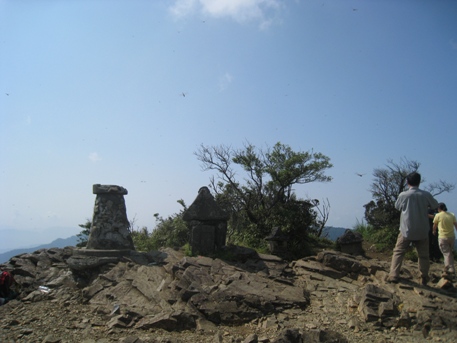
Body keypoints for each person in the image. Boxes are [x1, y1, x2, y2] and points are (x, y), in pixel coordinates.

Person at [388, 172, 438, 285]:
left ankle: (394, 275)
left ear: (407, 182)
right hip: (422, 229)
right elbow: (435, 205)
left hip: (406, 229)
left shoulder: (403, 195)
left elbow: (397, 207)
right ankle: (423, 276)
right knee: (423, 255)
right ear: (419, 182)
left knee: (398, 252)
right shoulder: (426, 195)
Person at [432, 202, 457, 279]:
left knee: (446, 253)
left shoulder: (438, 215)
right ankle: (452, 267)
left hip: (443, 236)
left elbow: (434, 225)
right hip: (452, 236)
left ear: (439, 208)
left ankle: (448, 269)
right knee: (449, 252)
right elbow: (456, 225)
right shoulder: (451, 215)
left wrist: (434, 231)